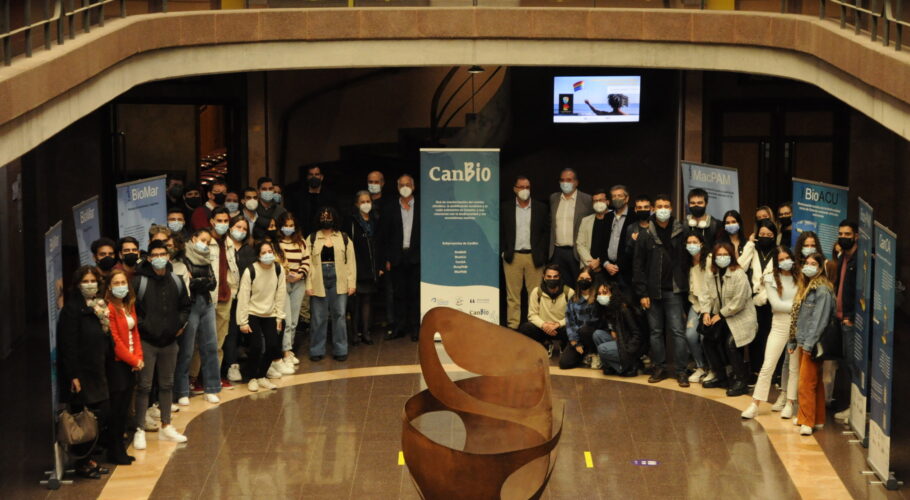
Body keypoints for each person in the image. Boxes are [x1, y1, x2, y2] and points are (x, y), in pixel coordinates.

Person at [131, 240, 191, 450]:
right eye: (154, 255)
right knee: (144, 386)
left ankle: (166, 426)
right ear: (148, 258)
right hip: (146, 342)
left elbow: (185, 306)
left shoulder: (176, 280)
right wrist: (144, 326)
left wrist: (179, 324)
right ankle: (139, 429)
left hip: (170, 342)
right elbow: (132, 309)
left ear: (168, 256)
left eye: (162, 254)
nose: (159, 258)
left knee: (167, 385)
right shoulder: (139, 282)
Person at [58, 266, 112, 478]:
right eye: (85, 281)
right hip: (82, 373)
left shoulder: (98, 306)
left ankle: (91, 458)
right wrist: (74, 375)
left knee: (99, 414)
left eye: (93, 281)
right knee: (84, 417)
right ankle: (83, 462)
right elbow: (68, 345)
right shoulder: (72, 310)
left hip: (98, 368)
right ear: (78, 284)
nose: (90, 284)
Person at [632, 194, 688, 386]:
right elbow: (638, 265)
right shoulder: (645, 233)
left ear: (671, 209)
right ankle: (660, 368)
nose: (663, 209)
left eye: (666, 206)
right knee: (655, 332)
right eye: (659, 206)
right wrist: (642, 293)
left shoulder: (681, 230)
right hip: (652, 291)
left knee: (678, 331)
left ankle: (681, 371)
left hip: (674, 290)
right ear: (653, 209)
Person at [742, 246, 802, 419]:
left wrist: (795, 308)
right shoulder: (770, 278)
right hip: (779, 325)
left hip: (798, 326)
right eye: (781, 259)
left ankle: (790, 403)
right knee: (768, 364)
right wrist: (798, 306)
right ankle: (755, 404)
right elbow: (776, 305)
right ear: (776, 262)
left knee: (794, 367)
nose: (785, 262)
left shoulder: (800, 277)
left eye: (787, 258)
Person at [700, 242, 757, 396]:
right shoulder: (711, 273)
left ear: (731, 257)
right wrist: (705, 312)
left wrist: (720, 315)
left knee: (731, 343)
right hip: (721, 315)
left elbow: (739, 302)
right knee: (707, 339)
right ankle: (720, 375)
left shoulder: (739, 274)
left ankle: (741, 380)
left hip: (741, 317)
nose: (722, 258)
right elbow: (705, 294)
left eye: (725, 255)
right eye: (719, 255)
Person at [788, 252, 835, 435]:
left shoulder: (821, 290)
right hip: (803, 339)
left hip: (812, 342)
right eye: (806, 263)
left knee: (806, 383)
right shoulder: (806, 286)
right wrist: (794, 340)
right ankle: (817, 418)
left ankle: (807, 420)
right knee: (813, 381)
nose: (808, 266)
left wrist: (809, 344)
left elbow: (819, 320)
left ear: (820, 267)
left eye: (813, 263)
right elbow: (799, 318)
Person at [174, 229, 222, 405]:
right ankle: (182, 391)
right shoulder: (183, 257)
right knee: (186, 349)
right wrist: (201, 282)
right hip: (191, 304)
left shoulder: (207, 258)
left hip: (206, 303)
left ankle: (211, 388)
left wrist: (198, 281)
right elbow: (187, 284)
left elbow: (213, 283)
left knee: (210, 347)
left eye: (208, 242)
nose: (205, 244)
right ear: (193, 238)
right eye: (203, 240)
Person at [307, 206, 356, 361]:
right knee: (318, 317)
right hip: (318, 280)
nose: (326, 219)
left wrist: (351, 283)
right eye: (323, 216)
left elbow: (351, 262)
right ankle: (316, 350)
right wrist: (308, 285)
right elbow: (307, 263)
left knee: (340, 315)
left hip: (339, 279)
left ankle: (340, 350)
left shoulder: (344, 238)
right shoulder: (312, 238)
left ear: (334, 218)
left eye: (329, 216)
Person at [237, 240, 287, 391]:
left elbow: (281, 293)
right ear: (258, 255)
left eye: (270, 252)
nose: (268, 255)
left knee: (273, 346)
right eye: (264, 252)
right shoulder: (250, 271)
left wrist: (279, 316)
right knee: (256, 346)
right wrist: (243, 322)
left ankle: (261, 376)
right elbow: (243, 297)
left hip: (270, 313)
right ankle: (252, 378)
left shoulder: (278, 269)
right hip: (252, 312)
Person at [104, 270, 143, 465]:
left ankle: (120, 449)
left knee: (125, 408)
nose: (120, 286)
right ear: (109, 287)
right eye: (116, 283)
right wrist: (133, 360)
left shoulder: (128, 305)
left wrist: (139, 357)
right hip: (117, 364)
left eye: (123, 282)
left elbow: (134, 332)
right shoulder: (109, 308)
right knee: (116, 410)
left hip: (130, 363)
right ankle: (114, 451)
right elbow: (115, 341)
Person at [501, 175, 549, 329]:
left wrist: (542, 254)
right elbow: (500, 231)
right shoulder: (506, 208)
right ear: (515, 189)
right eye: (521, 187)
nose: (525, 190)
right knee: (512, 297)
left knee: (535, 295)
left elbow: (546, 233)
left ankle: (534, 327)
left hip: (534, 257)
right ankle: (513, 327)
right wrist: (504, 252)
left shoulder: (541, 208)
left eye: (527, 187)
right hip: (513, 257)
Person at [380, 174, 420, 341]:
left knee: (415, 294)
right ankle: (399, 328)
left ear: (413, 187)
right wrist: (386, 259)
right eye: (401, 185)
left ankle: (415, 329)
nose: (405, 187)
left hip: (416, 257)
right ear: (397, 188)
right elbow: (383, 235)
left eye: (408, 184)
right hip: (396, 257)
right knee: (398, 295)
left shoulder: (422, 206)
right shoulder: (390, 208)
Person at [743, 219, 779, 377]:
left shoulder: (779, 252)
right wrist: (750, 244)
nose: (765, 237)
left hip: (772, 302)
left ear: (774, 235)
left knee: (770, 338)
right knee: (754, 337)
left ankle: (771, 373)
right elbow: (740, 266)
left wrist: (767, 288)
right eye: (762, 234)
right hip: (752, 301)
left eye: (768, 234)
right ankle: (755, 370)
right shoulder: (753, 250)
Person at [222, 216, 256, 384]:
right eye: (238, 227)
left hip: (245, 297)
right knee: (230, 333)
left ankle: (252, 366)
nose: (241, 231)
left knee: (245, 330)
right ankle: (231, 365)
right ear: (230, 227)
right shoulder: (223, 247)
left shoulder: (249, 250)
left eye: (244, 228)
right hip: (226, 295)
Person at [832, 220, 858, 421]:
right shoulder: (843, 258)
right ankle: (853, 406)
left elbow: (863, 293)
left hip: (851, 321)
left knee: (853, 365)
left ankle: (858, 409)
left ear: (856, 236)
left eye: (847, 234)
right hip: (840, 319)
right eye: (841, 234)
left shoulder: (860, 260)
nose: (843, 237)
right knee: (845, 365)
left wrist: (852, 317)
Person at [549, 168, 593, 286]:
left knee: (579, 285)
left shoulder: (587, 200)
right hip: (557, 251)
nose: (565, 183)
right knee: (559, 286)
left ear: (576, 182)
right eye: (562, 180)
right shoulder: (554, 198)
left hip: (576, 251)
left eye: (569, 180)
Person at [517, 265, 574, 357]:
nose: (552, 279)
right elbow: (532, 315)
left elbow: (573, 316)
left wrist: (558, 324)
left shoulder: (569, 292)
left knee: (575, 327)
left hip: (561, 327)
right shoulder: (536, 292)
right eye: (549, 276)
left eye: (555, 277)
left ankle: (564, 344)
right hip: (543, 328)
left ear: (560, 277)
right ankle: (545, 344)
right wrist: (544, 325)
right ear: (544, 277)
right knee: (525, 328)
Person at [207, 207, 236, 390]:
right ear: (212, 221)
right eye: (219, 220)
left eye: (226, 221)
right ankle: (196, 378)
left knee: (219, 341)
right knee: (203, 342)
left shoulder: (229, 242)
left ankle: (214, 377)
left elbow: (232, 268)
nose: (223, 224)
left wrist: (233, 288)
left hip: (225, 296)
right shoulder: (204, 241)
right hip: (208, 297)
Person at [277, 211, 310, 362]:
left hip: (298, 283)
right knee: (287, 320)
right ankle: (285, 351)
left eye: (291, 226)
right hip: (282, 284)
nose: (289, 228)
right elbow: (275, 262)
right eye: (286, 225)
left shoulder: (301, 242)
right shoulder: (277, 243)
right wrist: (285, 275)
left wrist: (300, 274)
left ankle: (288, 349)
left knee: (295, 320)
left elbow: (306, 261)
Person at [592, 281, 643, 376]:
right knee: (597, 334)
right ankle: (612, 367)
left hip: (627, 344)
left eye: (605, 292)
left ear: (613, 294)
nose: (601, 296)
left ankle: (627, 366)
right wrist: (612, 330)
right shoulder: (606, 309)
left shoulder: (624, 309)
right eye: (599, 293)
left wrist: (629, 351)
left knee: (602, 349)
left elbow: (637, 334)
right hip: (619, 341)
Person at [559, 268, 604, 369]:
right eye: (581, 278)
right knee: (564, 363)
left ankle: (595, 353)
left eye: (587, 279)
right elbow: (570, 322)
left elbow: (596, 322)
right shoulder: (573, 299)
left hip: (593, 335)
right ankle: (585, 354)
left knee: (585, 330)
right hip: (578, 337)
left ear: (592, 281)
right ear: (577, 280)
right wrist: (575, 341)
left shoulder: (598, 298)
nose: (584, 281)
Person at [350, 191, 380, 345]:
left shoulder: (376, 220)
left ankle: (366, 332)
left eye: (368, 201)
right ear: (357, 204)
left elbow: (381, 243)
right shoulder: (352, 222)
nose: (366, 204)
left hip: (371, 267)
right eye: (362, 202)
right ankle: (355, 333)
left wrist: (379, 265)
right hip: (356, 266)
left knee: (367, 300)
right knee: (355, 302)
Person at [683, 233, 710, 384]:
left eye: (695, 242)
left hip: (710, 305)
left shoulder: (710, 260)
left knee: (705, 337)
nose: (691, 245)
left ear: (701, 244)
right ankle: (700, 367)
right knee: (690, 335)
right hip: (695, 304)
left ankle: (713, 368)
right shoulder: (685, 263)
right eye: (689, 242)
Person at [291, 164, 339, 236]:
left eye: (316, 174)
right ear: (307, 177)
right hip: (303, 235)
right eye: (311, 174)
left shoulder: (330, 197)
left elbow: (336, 216)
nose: (314, 177)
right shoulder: (298, 196)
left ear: (321, 177)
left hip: (325, 235)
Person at [575, 188, 611, 280]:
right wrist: (592, 263)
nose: (598, 203)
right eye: (595, 201)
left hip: (609, 266)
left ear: (607, 202)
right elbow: (580, 244)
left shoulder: (614, 218)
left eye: (601, 200)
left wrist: (600, 261)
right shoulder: (586, 220)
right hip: (589, 267)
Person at [604, 185, 634, 290]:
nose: (616, 198)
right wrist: (606, 263)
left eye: (620, 196)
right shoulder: (607, 217)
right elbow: (602, 243)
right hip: (607, 269)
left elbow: (633, 246)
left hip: (626, 271)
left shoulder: (634, 216)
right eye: (614, 196)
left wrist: (618, 266)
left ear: (627, 198)